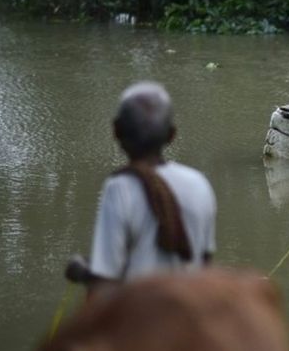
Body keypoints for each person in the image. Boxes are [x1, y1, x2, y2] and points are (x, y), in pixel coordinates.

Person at [82, 81, 216, 289]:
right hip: (189, 314)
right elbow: (205, 263)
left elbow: (105, 282)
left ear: (116, 131)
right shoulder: (199, 183)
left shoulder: (119, 188)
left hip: (141, 316)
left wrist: (82, 272)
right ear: (172, 134)